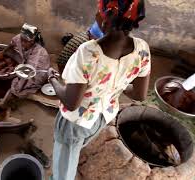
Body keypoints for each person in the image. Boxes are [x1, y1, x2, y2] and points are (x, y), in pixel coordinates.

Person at [48, 0, 150, 179]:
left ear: (106, 17)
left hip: (76, 122)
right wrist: (117, 84)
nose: (96, 14)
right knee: (77, 146)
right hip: (103, 116)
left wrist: (53, 80)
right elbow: (140, 94)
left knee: (64, 167)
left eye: (98, 10)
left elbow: (72, 103)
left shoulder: (88, 52)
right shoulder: (142, 49)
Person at [0, 23, 50, 108]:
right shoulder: (20, 38)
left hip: (36, 72)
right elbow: (12, 43)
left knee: (19, 86)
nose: (22, 43)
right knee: (9, 53)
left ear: (32, 41)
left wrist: (15, 71)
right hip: (25, 62)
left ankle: (5, 102)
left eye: (26, 41)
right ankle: (8, 98)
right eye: (22, 39)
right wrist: (3, 52)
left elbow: (30, 72)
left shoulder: (39, 53)